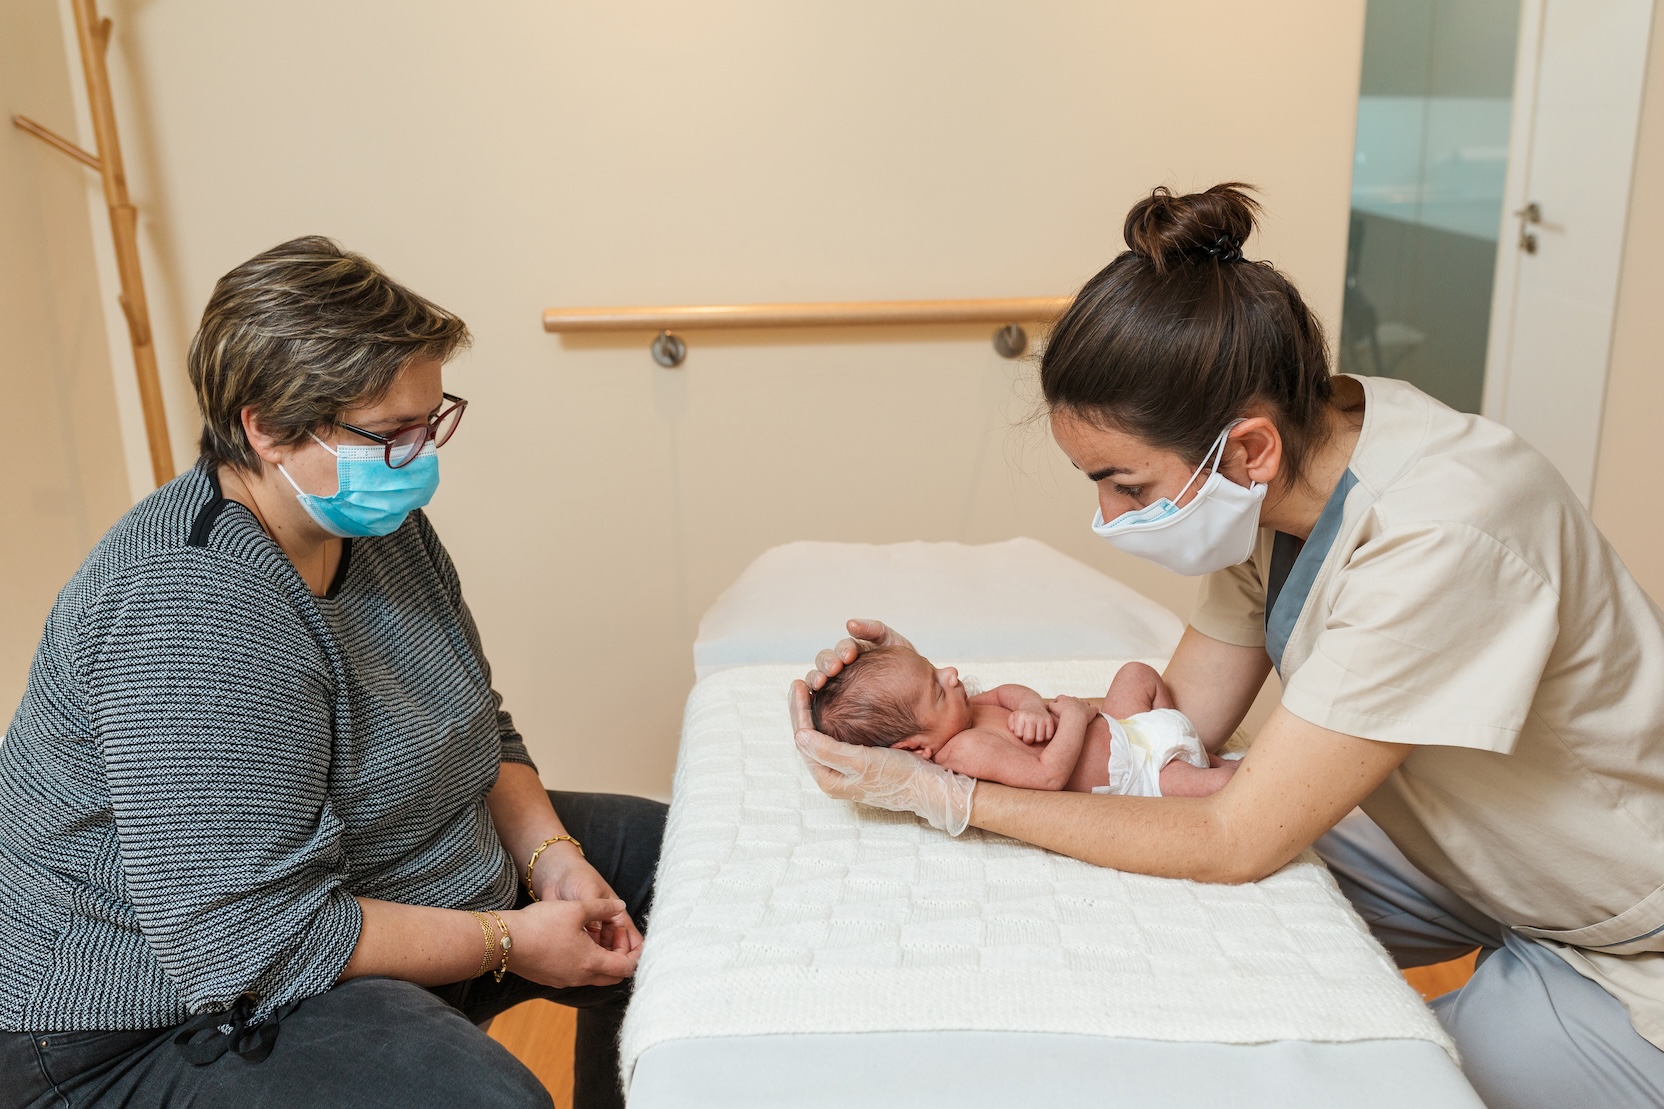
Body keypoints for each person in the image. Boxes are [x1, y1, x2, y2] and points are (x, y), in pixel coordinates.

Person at [789, 184, 1664, 1109]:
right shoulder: (1289, 481)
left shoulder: (1438, 538)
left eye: (1127, 486)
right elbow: (1178, 723)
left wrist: (951, 795)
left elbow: (1232, 836)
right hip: (1476, 855)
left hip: (1632, 940)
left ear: (1247, 451)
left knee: (1376, 1080)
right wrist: (922, 703)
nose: (1108, 516)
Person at [0, 237, 663, 1109]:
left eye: (431, 420)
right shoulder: (189, 604)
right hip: (147, 1016)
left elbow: (480, 726)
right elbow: (251, 944)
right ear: (266, 428)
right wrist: (511, 939)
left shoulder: (373, 526)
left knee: (682, 873)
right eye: (391, 433)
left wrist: (556, 862)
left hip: (366, 880)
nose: (420, 454)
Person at [809, 645, 1236, 796]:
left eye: (935, 668)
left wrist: (1031, 706)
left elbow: (1007, 692)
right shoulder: (965, 750)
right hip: (1138, 775)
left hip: (1124, 727)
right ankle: (1207, 769)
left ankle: (1197, 750)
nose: (951, 674)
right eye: (937, 688)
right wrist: (1073, 717)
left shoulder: (965, 711)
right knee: (1222, 786)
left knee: (1136, 674)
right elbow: (1048, 776)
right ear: (917, 748)